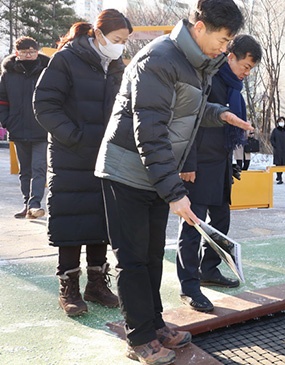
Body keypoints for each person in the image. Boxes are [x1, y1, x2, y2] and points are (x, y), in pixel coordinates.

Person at [94, 1, 250, 364]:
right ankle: (139, 339)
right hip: (126, 170)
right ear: (200, 27)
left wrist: (218, 114)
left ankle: (155, 324)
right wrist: (175, 192)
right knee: (132, 259)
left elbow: (184, 109)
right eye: (223, 38)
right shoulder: (160, 59)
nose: (225, 48)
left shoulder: (195, 63)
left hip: (150, 173)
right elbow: (150, 131)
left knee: (150, 256)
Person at [32, 9, 132, 318]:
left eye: (124, 42)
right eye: (117, 40)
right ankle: (69, 286)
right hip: (71, 154)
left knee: (101, 218)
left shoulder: (115, 65)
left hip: (106, 154)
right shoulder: (66, 59)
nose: (120, 47)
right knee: (72, 218)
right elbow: (44, 104)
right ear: (98, 35)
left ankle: (97, 283)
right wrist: (74, 137)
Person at [177, 34, 261, 312]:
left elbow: (231, 130)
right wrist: (187, 162)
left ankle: (208, 268)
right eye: (245, 66)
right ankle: (189, 286)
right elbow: (189, 121)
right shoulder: (209, 78)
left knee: (221, 221)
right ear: (230, 56)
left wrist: (234, 162)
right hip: (198, 163)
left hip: (221, 163)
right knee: (192, 226)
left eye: (251, 69)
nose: (246, 73)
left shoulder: (233, 87)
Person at [0, 36, 49, 219]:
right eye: (24, 52)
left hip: (42, 129)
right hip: (18, 128)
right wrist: (7, 121)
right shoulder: (8, 74)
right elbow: (2, 100)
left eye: (32, 52)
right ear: (16, 53)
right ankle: (26, 202)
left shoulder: (47, 70)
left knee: (39, 168)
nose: (29, 55)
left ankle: (34, 204)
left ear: (37, 51)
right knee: (24, 170)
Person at [270, 116, 285, 184]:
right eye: (280, 121)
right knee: (278, 164)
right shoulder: (275, 130)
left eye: (282, 121)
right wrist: (275, 146)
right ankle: (279, 177)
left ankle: (280, 175)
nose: (281, 122)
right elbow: (272, 139)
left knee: (283, 164)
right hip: (278, 150)